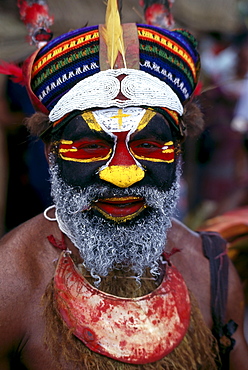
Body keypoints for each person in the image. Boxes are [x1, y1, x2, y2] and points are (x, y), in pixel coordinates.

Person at [0, 0, 247, 369]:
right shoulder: (11, 286)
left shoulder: (209, 271)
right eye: (91, 147)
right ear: (51, 154)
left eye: (148, 145)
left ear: (178, 152)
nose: (123, 173)